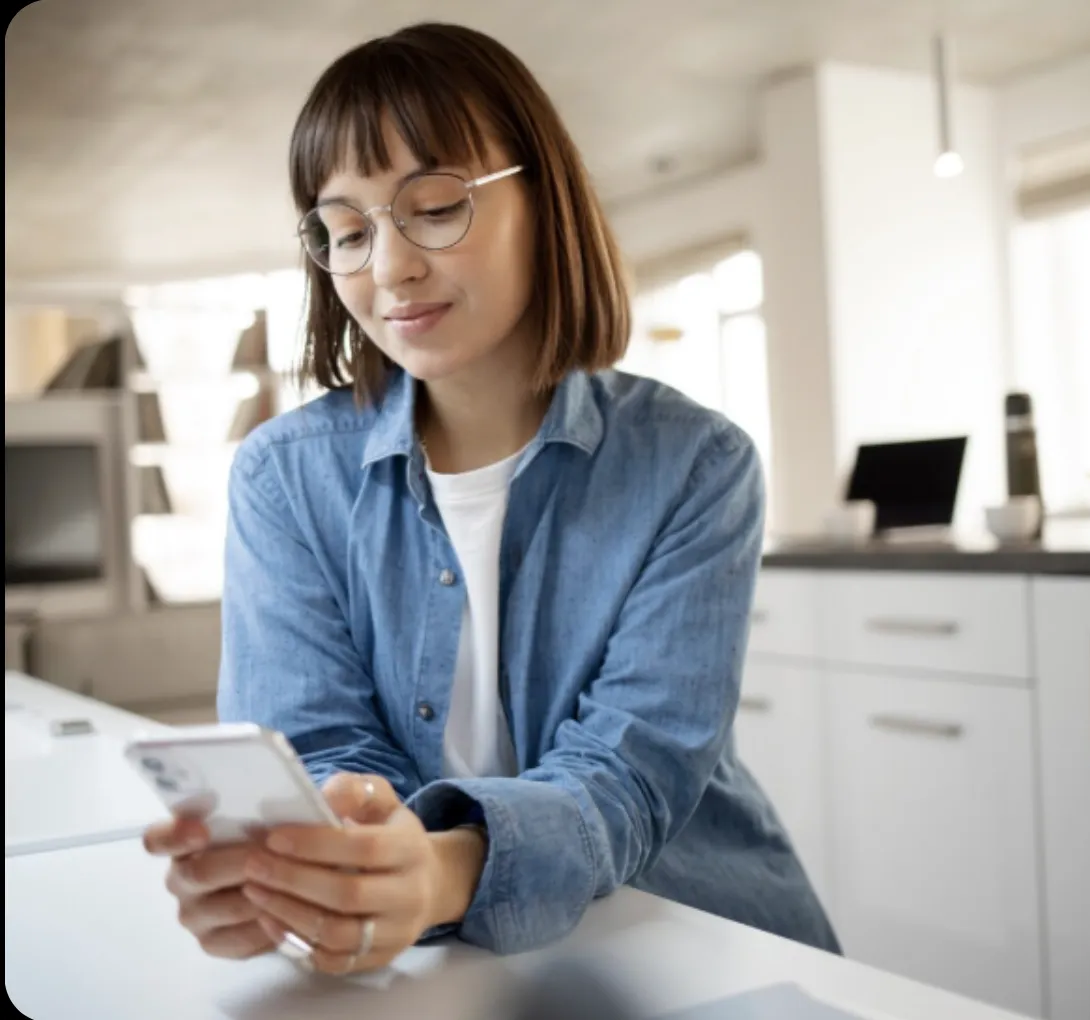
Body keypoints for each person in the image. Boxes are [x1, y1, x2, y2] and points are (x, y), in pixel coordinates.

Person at [142, 21, 840, 975]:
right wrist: (313, 872)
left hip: (689, 935)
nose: (389, 270)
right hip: (445, 969)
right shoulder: (283, 479)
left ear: (544, 200)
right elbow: (322, 756)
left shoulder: (696, 466)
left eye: (433, 208)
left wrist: (435, 873)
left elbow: (630, 776)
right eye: (347, 232)